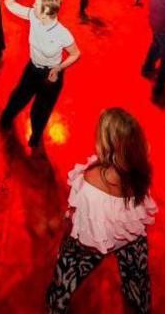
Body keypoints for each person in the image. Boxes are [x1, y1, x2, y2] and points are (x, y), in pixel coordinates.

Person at [45, 108, 157, 314]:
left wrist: (64, 219)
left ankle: (57, 304)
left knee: (69, 268)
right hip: (129, 235)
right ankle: (140, 301)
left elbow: (79, 219)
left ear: (106, 143)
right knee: (137, 271)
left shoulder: (92, 179)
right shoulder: (141, 168)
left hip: (95, 241)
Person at [0, 0, 81, 149]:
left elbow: (76, 54)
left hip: (51, 75)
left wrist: (59, 67)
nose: (32, 6)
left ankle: (36, 135)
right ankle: (5, 120)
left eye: (36, 5)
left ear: (46, 12)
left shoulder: (62, 33)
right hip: (33, 69)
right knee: (18, 97)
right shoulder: (34, 17)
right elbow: (8, 4)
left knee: (40, 110)